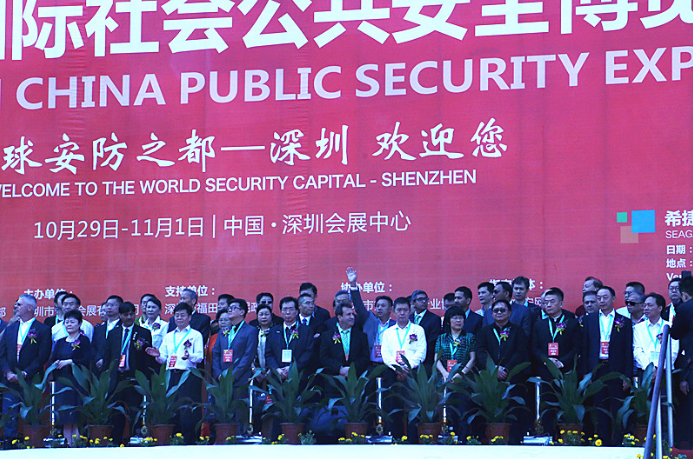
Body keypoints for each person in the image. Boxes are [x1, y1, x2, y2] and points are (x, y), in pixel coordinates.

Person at [581, 286, 633, 445]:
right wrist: (586, 373)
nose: (601, 301)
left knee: (618, 406)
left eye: (605, 297)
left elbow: (628, 350)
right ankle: (603, 441)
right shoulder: (588, 320)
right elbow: (584, 348)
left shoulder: (624, 321)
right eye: (599, 298)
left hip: (616, 368)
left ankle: (619, 441)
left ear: (613, 299)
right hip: (597, 368)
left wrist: (627, 375)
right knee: (599, 406)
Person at [147, 303, 204, 444]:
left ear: (189, 317)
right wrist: (157, 355)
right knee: (172, 407)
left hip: (188, 375)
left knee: (187, 409)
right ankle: (174, 439)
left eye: (182, 315)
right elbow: (163, 358)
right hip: (171, 375)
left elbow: (200, 357)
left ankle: (190, 440)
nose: (179, 318)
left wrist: (189, 356)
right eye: (177, 315)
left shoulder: (196, 335)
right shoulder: (168, 336)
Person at [476, 299, 529, 444]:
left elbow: (520, 352)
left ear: (509, 313)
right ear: (491, 314)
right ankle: (490, 439)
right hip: (490, 377)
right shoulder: (484, 331)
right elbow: (480, 351)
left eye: (502, 310)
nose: (499, 313)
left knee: (513, 407)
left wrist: (506, 369)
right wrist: (494, 369)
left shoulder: (518, 331)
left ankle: (514, 440)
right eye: (496, 310)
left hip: (512, 376)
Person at [102, 301, 155, 445]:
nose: (129, 317)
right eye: (126, 314)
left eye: (132, 314)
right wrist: (106, 377)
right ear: (120, 315)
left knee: (135, 410)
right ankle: (115, 441)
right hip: (116, 379)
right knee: (115, 412)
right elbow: (108, 356)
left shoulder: (143, 333)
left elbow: (147, 359)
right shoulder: (113, 333)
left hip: (135, 378)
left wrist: (146, 379)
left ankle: (135, 439)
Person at [530, 288, 582, 436]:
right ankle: (548, 434)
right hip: (546, 371)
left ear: (561, 303)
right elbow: (534, 348)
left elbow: (577, 347)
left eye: (552, 302)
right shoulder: (539, 324)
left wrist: (562, 362)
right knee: (547, 404)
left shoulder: (572, 323)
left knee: (565, 404)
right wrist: (547, 361)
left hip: (566, 371)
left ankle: (566, 436)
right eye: (545, 302)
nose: (548, 305)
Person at [0, 294, 52, 440]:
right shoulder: (10, 329)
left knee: (32, 412)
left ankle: (32, 442)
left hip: (31, 379)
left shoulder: (43, 329)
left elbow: (42, 356)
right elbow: (2, 354)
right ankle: (9, 441)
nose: (16, 307)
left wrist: (25, 373)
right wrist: (7, 372)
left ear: (30, 308)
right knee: (9, 412)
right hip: (10, 379)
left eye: (19, 304)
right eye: (16, 304)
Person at [381, 297, 426, 439]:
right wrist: (397, 368)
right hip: (392, 373)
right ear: (393, 311)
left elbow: (421, 352)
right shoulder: (388, 332)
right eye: (399, 310)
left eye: (405, 310)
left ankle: (412, 439)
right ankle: (396, 438)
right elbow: (385, 354)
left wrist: (407, 367)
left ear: (410, 311)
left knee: (413, 407)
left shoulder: (418, 330)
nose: (402, 313)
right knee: (394, 406)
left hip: (413, 373)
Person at [51, 309, 92, 445]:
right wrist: (56, 363)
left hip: (78, 382)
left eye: (72, 322)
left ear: (79, 324)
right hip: (62, 382)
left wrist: (70, 362)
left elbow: (87, 359)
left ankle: (77, 443)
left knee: (76, 414)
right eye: (66, 322)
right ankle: (67, 443)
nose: (69, 324)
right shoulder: (60, 341)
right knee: (65, 415)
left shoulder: (84, 340)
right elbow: (53, 359)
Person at [435, 305, 475, 437]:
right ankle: (448, 439)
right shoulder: (441, 338)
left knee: (463, 411)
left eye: (461, 318)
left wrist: (460, 374)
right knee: (447, 412)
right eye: (455, 318)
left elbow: (472, 359)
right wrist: (445, 374)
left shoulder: (469, 337)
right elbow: (437, 359)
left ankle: (463, 439)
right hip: (445, 381)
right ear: (448, 321)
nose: (458, 320)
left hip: (463, 381)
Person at [212, 299, 258, 389]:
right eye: (229, 308)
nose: (229, 310)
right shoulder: (223, 331)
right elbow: (216, 353)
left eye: (233, 308)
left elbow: (248, 356)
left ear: (242, 312)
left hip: (240, 380)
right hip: (221, 378)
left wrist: (233, 375)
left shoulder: (250, 331)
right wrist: (218, 374)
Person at [265, 296, 315, 378]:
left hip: (299, 376)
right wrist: (277, 369)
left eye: (291, 309)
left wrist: (293, 368)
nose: (288, 312)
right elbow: (269, 353)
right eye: (285, 309)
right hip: (278, 376)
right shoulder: (274, 331)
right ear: (281, 312)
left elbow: (308, 352)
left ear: (297, 311)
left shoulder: (306, 330)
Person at [634, 293, 679, 374]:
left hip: (665, 371)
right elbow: (637, 350)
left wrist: (659, 367)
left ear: (660, 308)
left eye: (650, 305)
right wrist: (649, 368)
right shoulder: (638, 328)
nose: (646, 308)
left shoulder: (670, 326)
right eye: (644, 305)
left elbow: (673, 351)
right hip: (644, 371)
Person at [410, 289, 441, 374]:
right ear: (413, 302)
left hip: (426, 361)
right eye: (420, 299)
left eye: (425, 299)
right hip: (409, 358)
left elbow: (433, 341)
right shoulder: (408, 318)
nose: (424, 301)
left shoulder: (434, 319)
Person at [93, 295, 124, 372]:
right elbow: (93, 346)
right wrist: (98, 359)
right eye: (108, 305)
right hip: (99, 367)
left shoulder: (124, 327)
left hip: (117, 368)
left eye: (112, 305)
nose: (109, 307)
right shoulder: (99, 328)